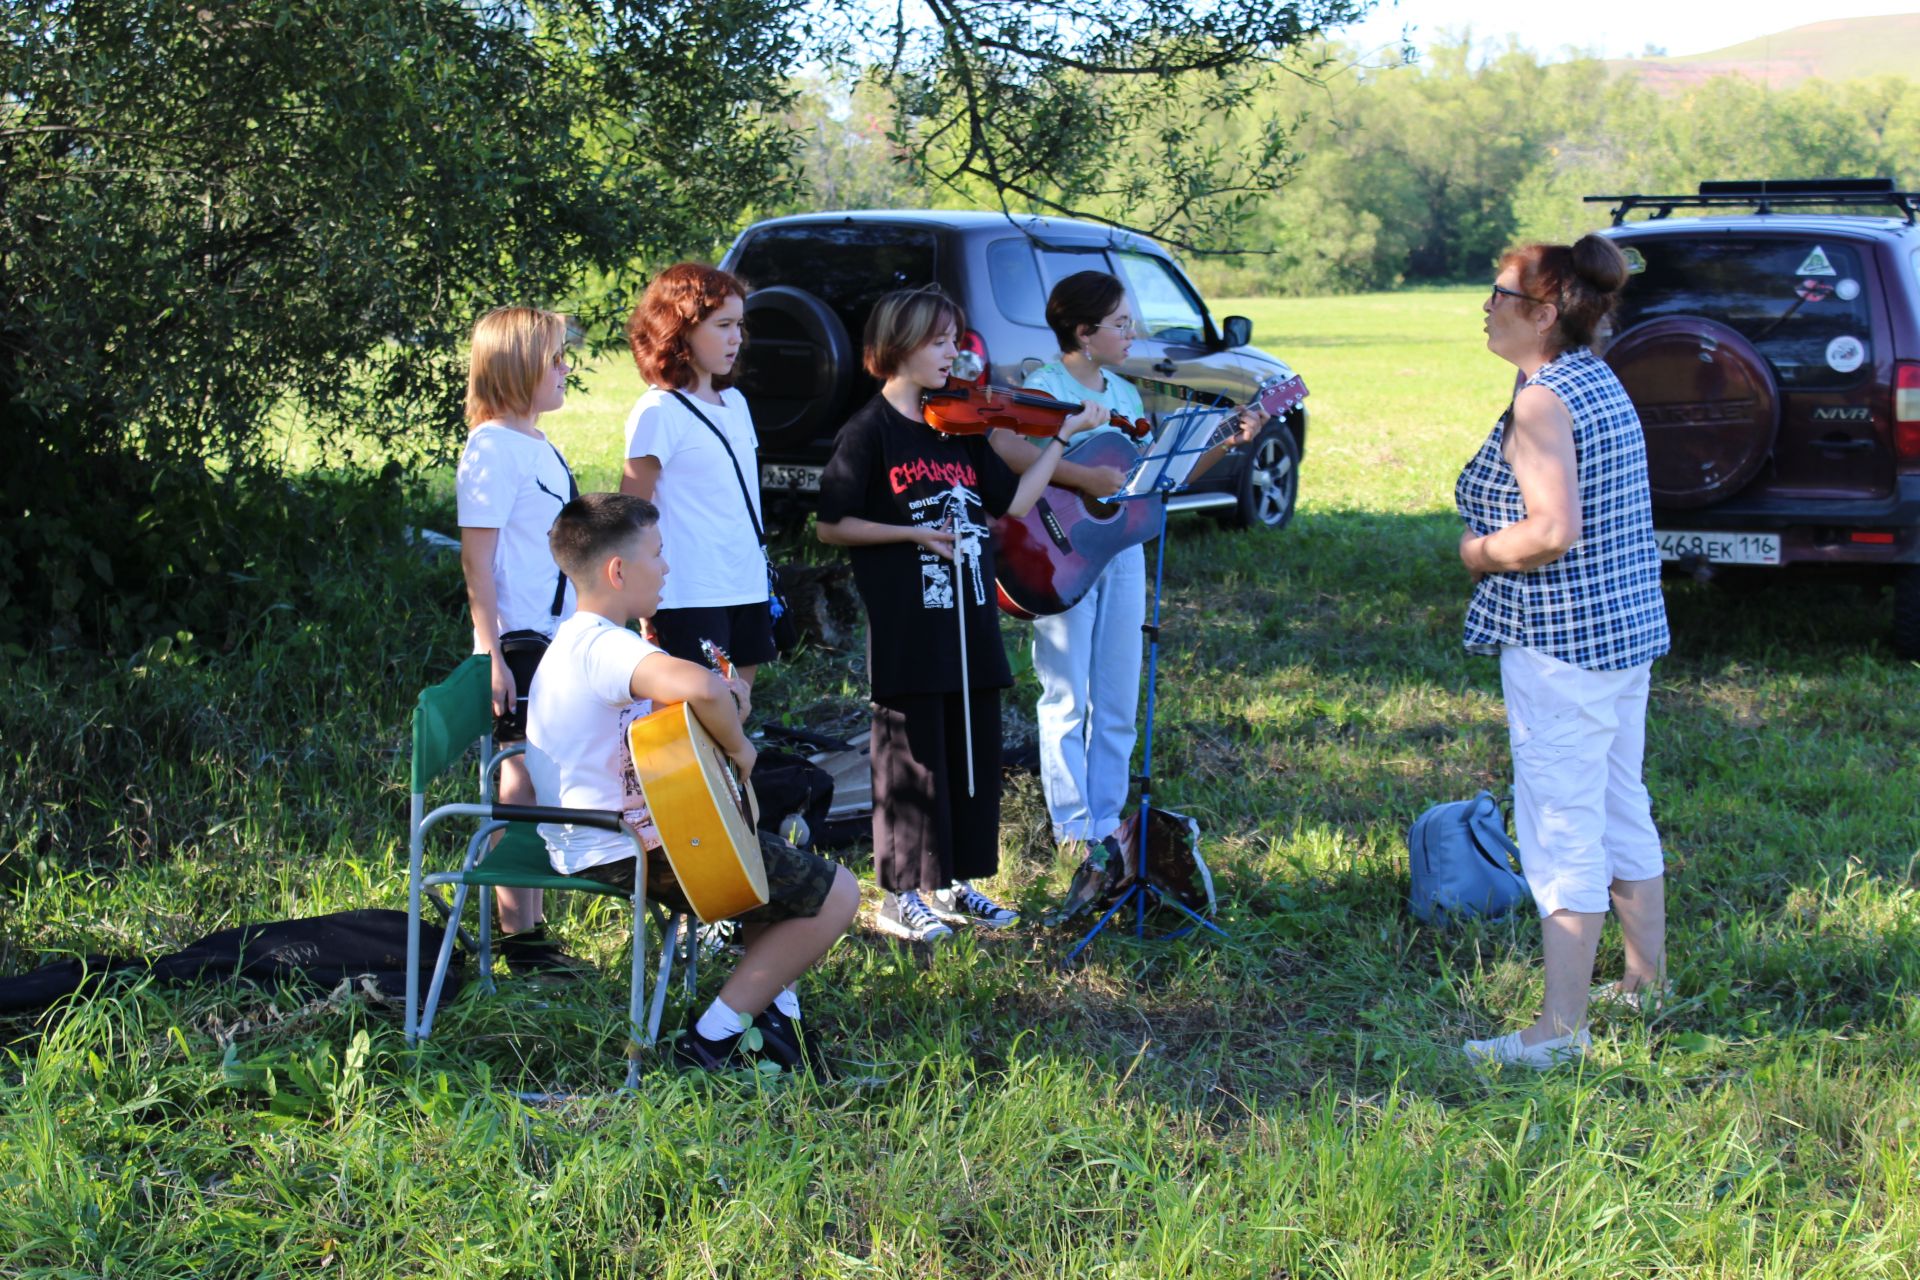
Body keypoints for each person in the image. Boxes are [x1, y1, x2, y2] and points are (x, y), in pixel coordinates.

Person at [526, 492, 858, 1073]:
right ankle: (713, 1039)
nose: (667, 567)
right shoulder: (605, 645)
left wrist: (725, 699)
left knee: (764, 848)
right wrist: (738, 746)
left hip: (608, 835)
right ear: (618, 570)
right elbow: (701, 689)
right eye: (657, 553)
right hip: (622, 847)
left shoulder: (575, 639)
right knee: (839, 894)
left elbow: (685, 699)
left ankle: (772, 1014)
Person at [815, 285, 1104, 942]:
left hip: (971, 620)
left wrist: (1060, 438)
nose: (956, 353)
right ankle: (898, 894)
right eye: (940, 341)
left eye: (954, 338)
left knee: (968, 757)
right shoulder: (868, 432)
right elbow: (833, 525)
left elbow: (1016, 504)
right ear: (899, 346)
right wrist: (909, 536)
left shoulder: (960, 428)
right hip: (910, 627)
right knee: (911, 760)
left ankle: (950, 883)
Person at [1455, 235, 1672, 1069]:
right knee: (1622, 804)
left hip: (1562, 644)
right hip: (1620, 635)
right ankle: (1645, 987)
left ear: (1543, 313)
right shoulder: (1587, 375)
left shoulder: (1547, 401)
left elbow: (1550, 531)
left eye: (1499, 291)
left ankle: (1559, 1032)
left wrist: (1476, 554)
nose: (1485, 304)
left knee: (1561, 827)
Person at [998, 270, 1265, 872]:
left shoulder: (1123, 392)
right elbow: (1007, 449)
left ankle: (1107, 817)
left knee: (1117, 692)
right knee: (1067, 690)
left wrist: (1226, 441)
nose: (1133, 332)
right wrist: (1084, 478)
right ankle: (1072, 826)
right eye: (1120, 324)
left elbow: (1149, 484)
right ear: (1085, 333)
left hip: (1118, 551)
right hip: (1057, 552)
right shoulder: (1045, 386)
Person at [455, 305, 581, 974]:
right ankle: (518, 938)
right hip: (521, 642)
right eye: (554, 359)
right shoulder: (491, 447)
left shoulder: (531, 441)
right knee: (518, 782)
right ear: (516, 367)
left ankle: (531, 929)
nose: (566, 370)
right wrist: (491, 649)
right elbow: (477, 560)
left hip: (554, 638)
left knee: (535, 784)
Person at [620, 263, 775, 686]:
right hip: (689, 594)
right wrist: (639, 601)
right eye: (723, 324)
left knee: (738, 710)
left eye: (739, 325)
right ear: (680, 329)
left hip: (746, 584)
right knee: (697, 724)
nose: (736, 338)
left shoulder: (736, 402)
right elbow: (631, 511)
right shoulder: (659, 410)